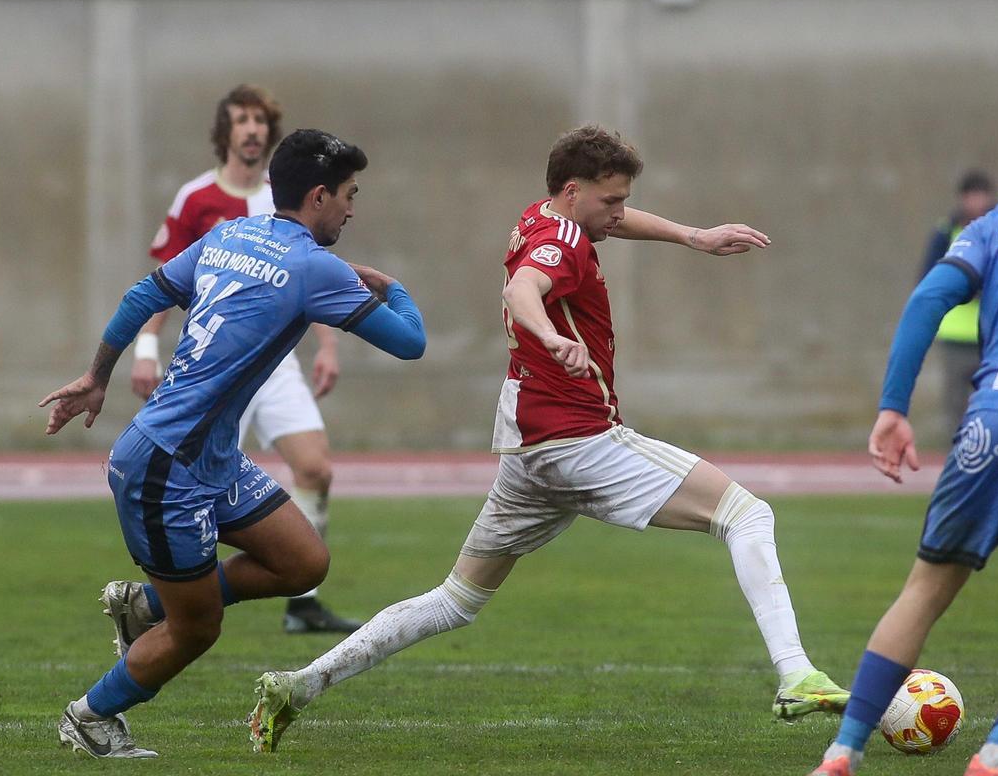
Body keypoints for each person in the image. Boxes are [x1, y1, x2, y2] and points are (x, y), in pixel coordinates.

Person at [244, 124, 849, 755]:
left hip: (528, 449)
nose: (619, 214)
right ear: (573, 191)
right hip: (578, 441)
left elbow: (594, 232)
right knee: (746, 515)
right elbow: (523, 288)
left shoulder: (544, 215)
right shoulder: (563, 240)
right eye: (611, 201)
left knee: (455, 600)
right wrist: (552, 337)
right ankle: (795, 674)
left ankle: (300, 684)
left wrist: (693, 236)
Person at [45, 129, 426, 758]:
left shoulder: (230, 236)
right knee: (197, 627)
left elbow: (144, 294)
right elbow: (411, 343)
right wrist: (392, 286)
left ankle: (143, 604)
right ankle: (89, 717)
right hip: (167, 466)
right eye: (350, 195)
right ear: (320, 196)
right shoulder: (315, 267)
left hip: (207, 457)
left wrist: (97, 376)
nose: (352, 210)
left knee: (303, 563)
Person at [808, 84, 998, 776]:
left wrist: (893, 407)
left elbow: (928, 299)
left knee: (924, 589)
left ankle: (843, 749)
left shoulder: (994, 224)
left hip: (992, 418)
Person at [133, 84, 358, 633]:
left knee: (315, 467)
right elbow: (163, 281)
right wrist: (146, 347)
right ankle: (170, 602)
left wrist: (328, 346)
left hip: (276, 366)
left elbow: (313, 282)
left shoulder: (291, 199)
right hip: (217, 370)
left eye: (260, 120)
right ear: (225, 132)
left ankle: (303, 604)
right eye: (242, 120)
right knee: (199, 484)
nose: (253, 129)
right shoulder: (195, 198)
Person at [919, 170, 997, 436]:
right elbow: (930, 277)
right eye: (971, 195)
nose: (976, 202)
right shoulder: (946, 231)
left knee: (989, 403)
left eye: (981, 195)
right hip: (955, 334)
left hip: (989, 335)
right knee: (955, 406)